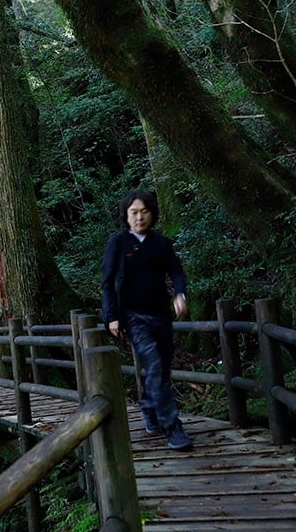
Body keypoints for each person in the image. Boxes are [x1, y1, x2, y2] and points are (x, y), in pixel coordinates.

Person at [101, 189, 193, 451]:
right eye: (133, 212)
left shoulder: (161, 244)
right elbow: (107, 282)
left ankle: (149, 409)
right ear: (126, 215)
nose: (139, 217)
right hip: (133, 316)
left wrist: (180, 294)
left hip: (161, 315)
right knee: (152, 364)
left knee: (161, 368)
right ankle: (172, 427)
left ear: (152, 214)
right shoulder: (118, 243)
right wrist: (111, 317)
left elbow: (176, 271)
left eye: (144, 211)